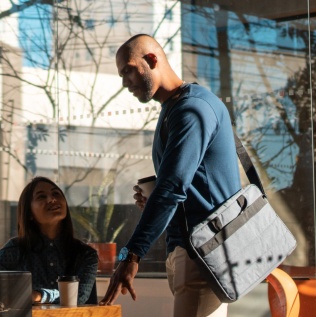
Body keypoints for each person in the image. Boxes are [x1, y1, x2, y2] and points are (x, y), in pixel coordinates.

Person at [99, 34, 241, 317]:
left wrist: (132, 254)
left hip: (202, 252)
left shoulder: (192, 110)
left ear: (152, 60)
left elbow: (173, 186)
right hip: (192, 250)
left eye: (128, 69)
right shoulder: (174, 109)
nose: (125, 82)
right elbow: (186, 182)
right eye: (121, 74)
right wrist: (156, 195)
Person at [0, 176, 98, 305]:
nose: (52, 199)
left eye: (56, 193)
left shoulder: (86, 255)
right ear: (29, 213)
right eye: (41, 196)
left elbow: (78, 296)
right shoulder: (16, 249)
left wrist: (40, 295)